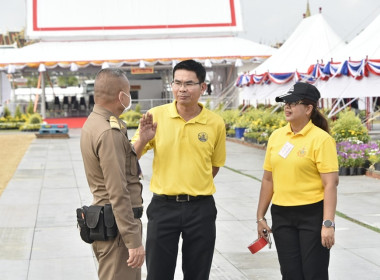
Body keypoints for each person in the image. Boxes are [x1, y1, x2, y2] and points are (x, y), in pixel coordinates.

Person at [132, 59, 226, 280]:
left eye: (189, 84)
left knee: (197, 274)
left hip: (201, 209)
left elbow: (214, 166)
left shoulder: (215, 123)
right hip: (163, 208)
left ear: (202, 87)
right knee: (158, 273)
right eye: (178, 83)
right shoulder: (155, 116)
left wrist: (193, 184)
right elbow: (130, 159)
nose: (182, 89)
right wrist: (142, 140)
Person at [256, 82, 339, 280]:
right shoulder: (277, 137)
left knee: (314, 273)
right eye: (285, 102)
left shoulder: (321, 139)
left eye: (293, 102)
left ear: (309, 109)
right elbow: (268, 179)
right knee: (290, 273)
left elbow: (330, 184)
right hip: (282, 214)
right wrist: (260, 217)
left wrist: (328, 223)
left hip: (312, 214)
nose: (287, 106)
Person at [80, 68, 145, 280]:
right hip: (118, 230)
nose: (129, 98)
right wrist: (132, 241)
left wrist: (142, 139)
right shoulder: (109, 132)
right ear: (121, 96)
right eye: (128, 92)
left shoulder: (94, 123)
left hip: (109, 223)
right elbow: (118, 191)